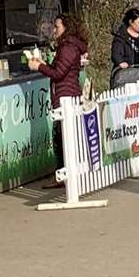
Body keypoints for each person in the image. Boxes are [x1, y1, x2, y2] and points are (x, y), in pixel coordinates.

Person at [34, 12, 89, 188]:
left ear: (67, 27)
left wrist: (39, 66)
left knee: (62, 137)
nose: (54, 30)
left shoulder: (68, 47)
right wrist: (44, 64)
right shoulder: (69, 46)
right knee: (64, 137)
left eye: (57, 26)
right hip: (66, 93)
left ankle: (65, 176)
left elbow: (59, 73)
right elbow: (59, 69)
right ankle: (65, 174)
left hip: (66, 95)